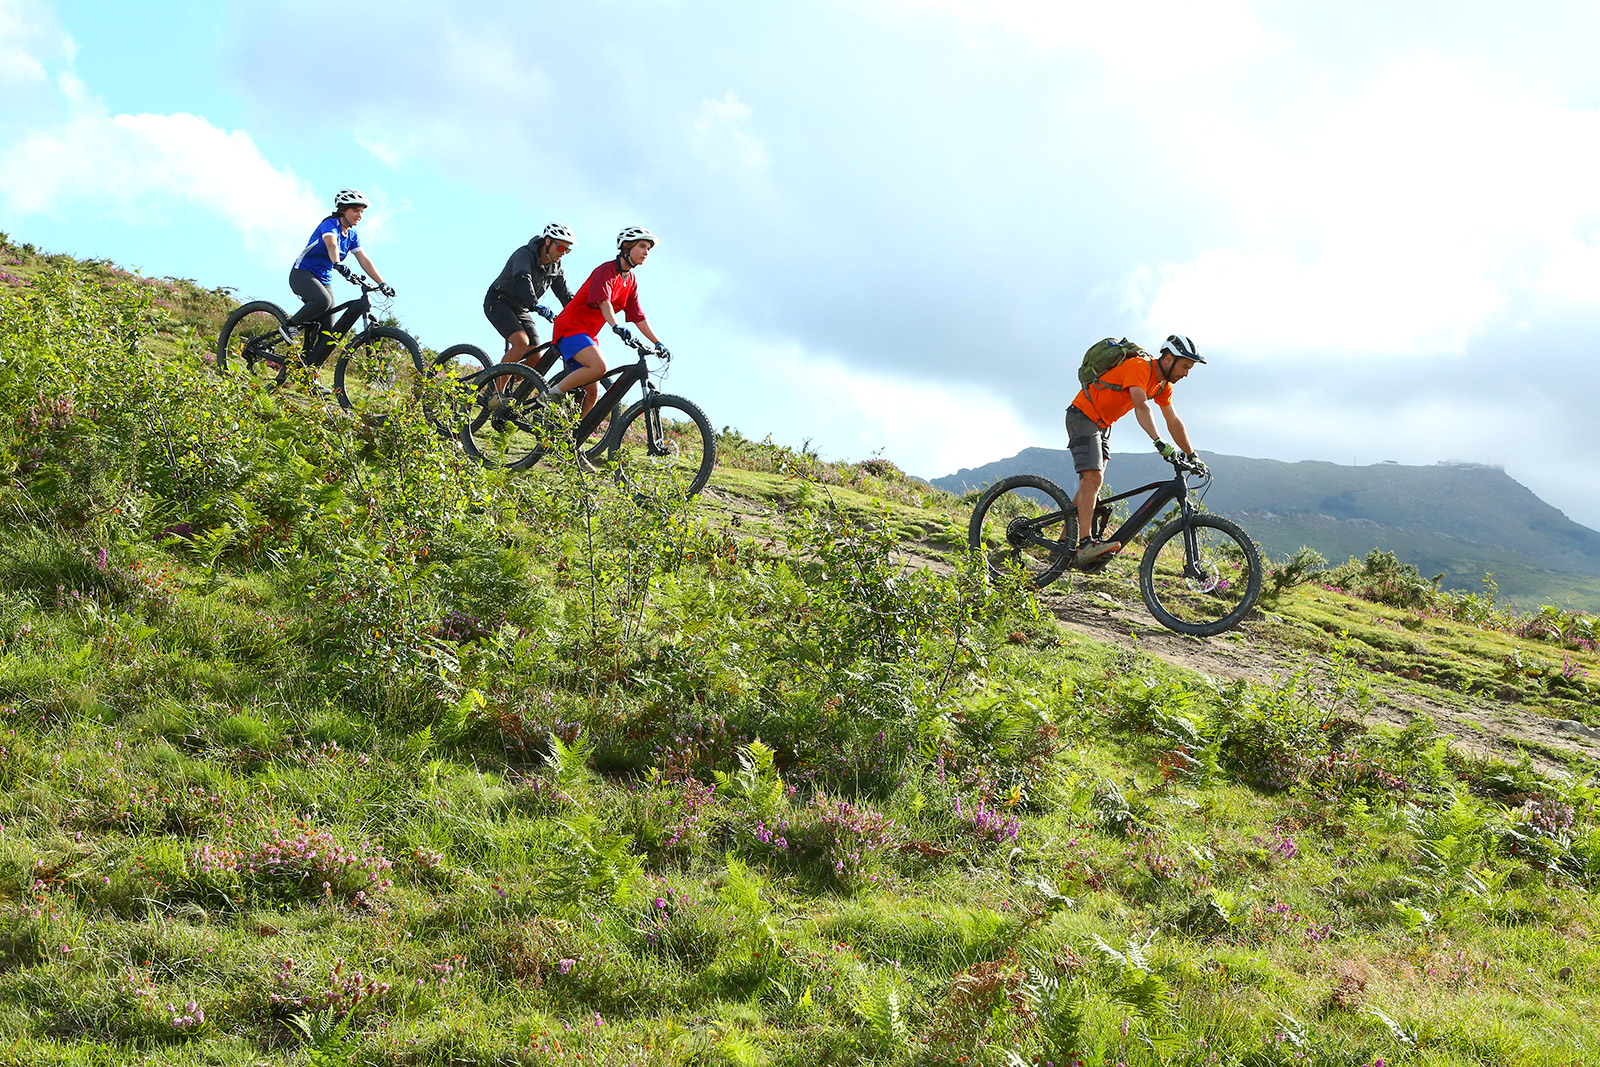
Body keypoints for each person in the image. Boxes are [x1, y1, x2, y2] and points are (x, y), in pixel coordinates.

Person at [1065, 334, 1208, 563]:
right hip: (1083, 416)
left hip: (1103, 425)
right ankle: (1084, 545)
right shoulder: (1140, 367)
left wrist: (1192, 455)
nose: (1186, 374)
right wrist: (1158, 441)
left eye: (1189, 369)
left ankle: (1063, 544)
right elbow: (1141, 406)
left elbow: (1173, 420)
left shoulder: (1163, 386)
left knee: (1092, 483)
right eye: (1184, 366)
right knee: (1092, 478)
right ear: (1169, 359)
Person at [549, 225, 669, 418]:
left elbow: (638, 316)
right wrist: (616, 326)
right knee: (599, 367)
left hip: (587, 335)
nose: (646, 252)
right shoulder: (606, 271)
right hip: (570, 328)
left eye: (648, 248)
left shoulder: (630, 281)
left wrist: (658, 342)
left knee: (592, 392)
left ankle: (575, 435)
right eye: (642, 246)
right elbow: (604, 302)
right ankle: (550, 395)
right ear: (627, 247)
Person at [286, 188, 392, 363]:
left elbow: (364, 259)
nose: (360, 216)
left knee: (329, 334)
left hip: (324, 279)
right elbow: (332, 245)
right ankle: (290, 326)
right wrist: (337, 263)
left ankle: (309, 371)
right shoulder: (330, 225)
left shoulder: (352, 235)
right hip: (303, 273)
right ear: (342, 209)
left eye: (362, 212)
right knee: (323, 301)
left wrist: (382, 283)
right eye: (355, 211)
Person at [484, 221, 575, 366]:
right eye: (560, 247)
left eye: (567, 250)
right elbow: (523, 279)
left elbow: (565, 295)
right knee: (521, 343)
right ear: (547, 241)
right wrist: (534, 304)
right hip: (499, 301)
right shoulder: (525, 254)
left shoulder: (555, 268)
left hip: (521, 308)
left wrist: (581, 312)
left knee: (536, 355)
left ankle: (514, 379)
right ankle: (495, 381)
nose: (563, 253)